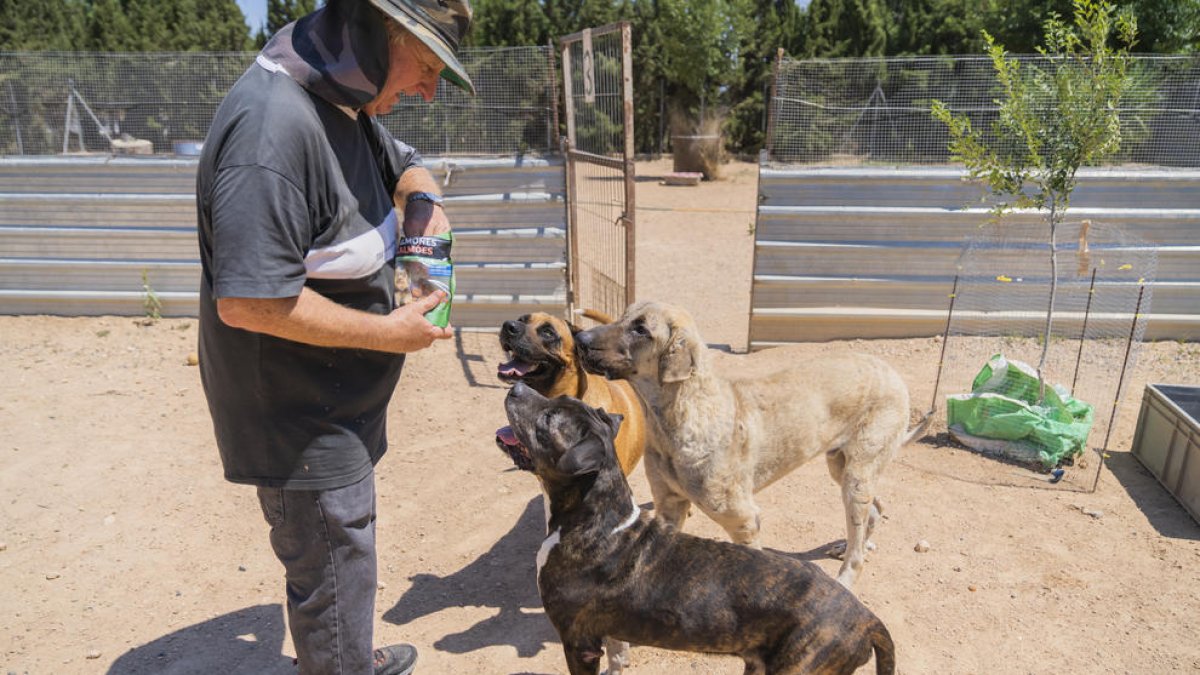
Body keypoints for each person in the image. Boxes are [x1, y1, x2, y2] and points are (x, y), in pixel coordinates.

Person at [195, 1, 474, 673]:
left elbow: (404, 164)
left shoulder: (345, 101)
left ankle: (344, 653)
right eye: (426, 65)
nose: (430, 90)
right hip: (298, 419)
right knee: (331, 555)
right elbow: (249, 301)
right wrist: (390, 332)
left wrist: (422, 208)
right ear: (371, 35)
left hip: (336, 405)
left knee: (344, 556)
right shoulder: (273, 130)